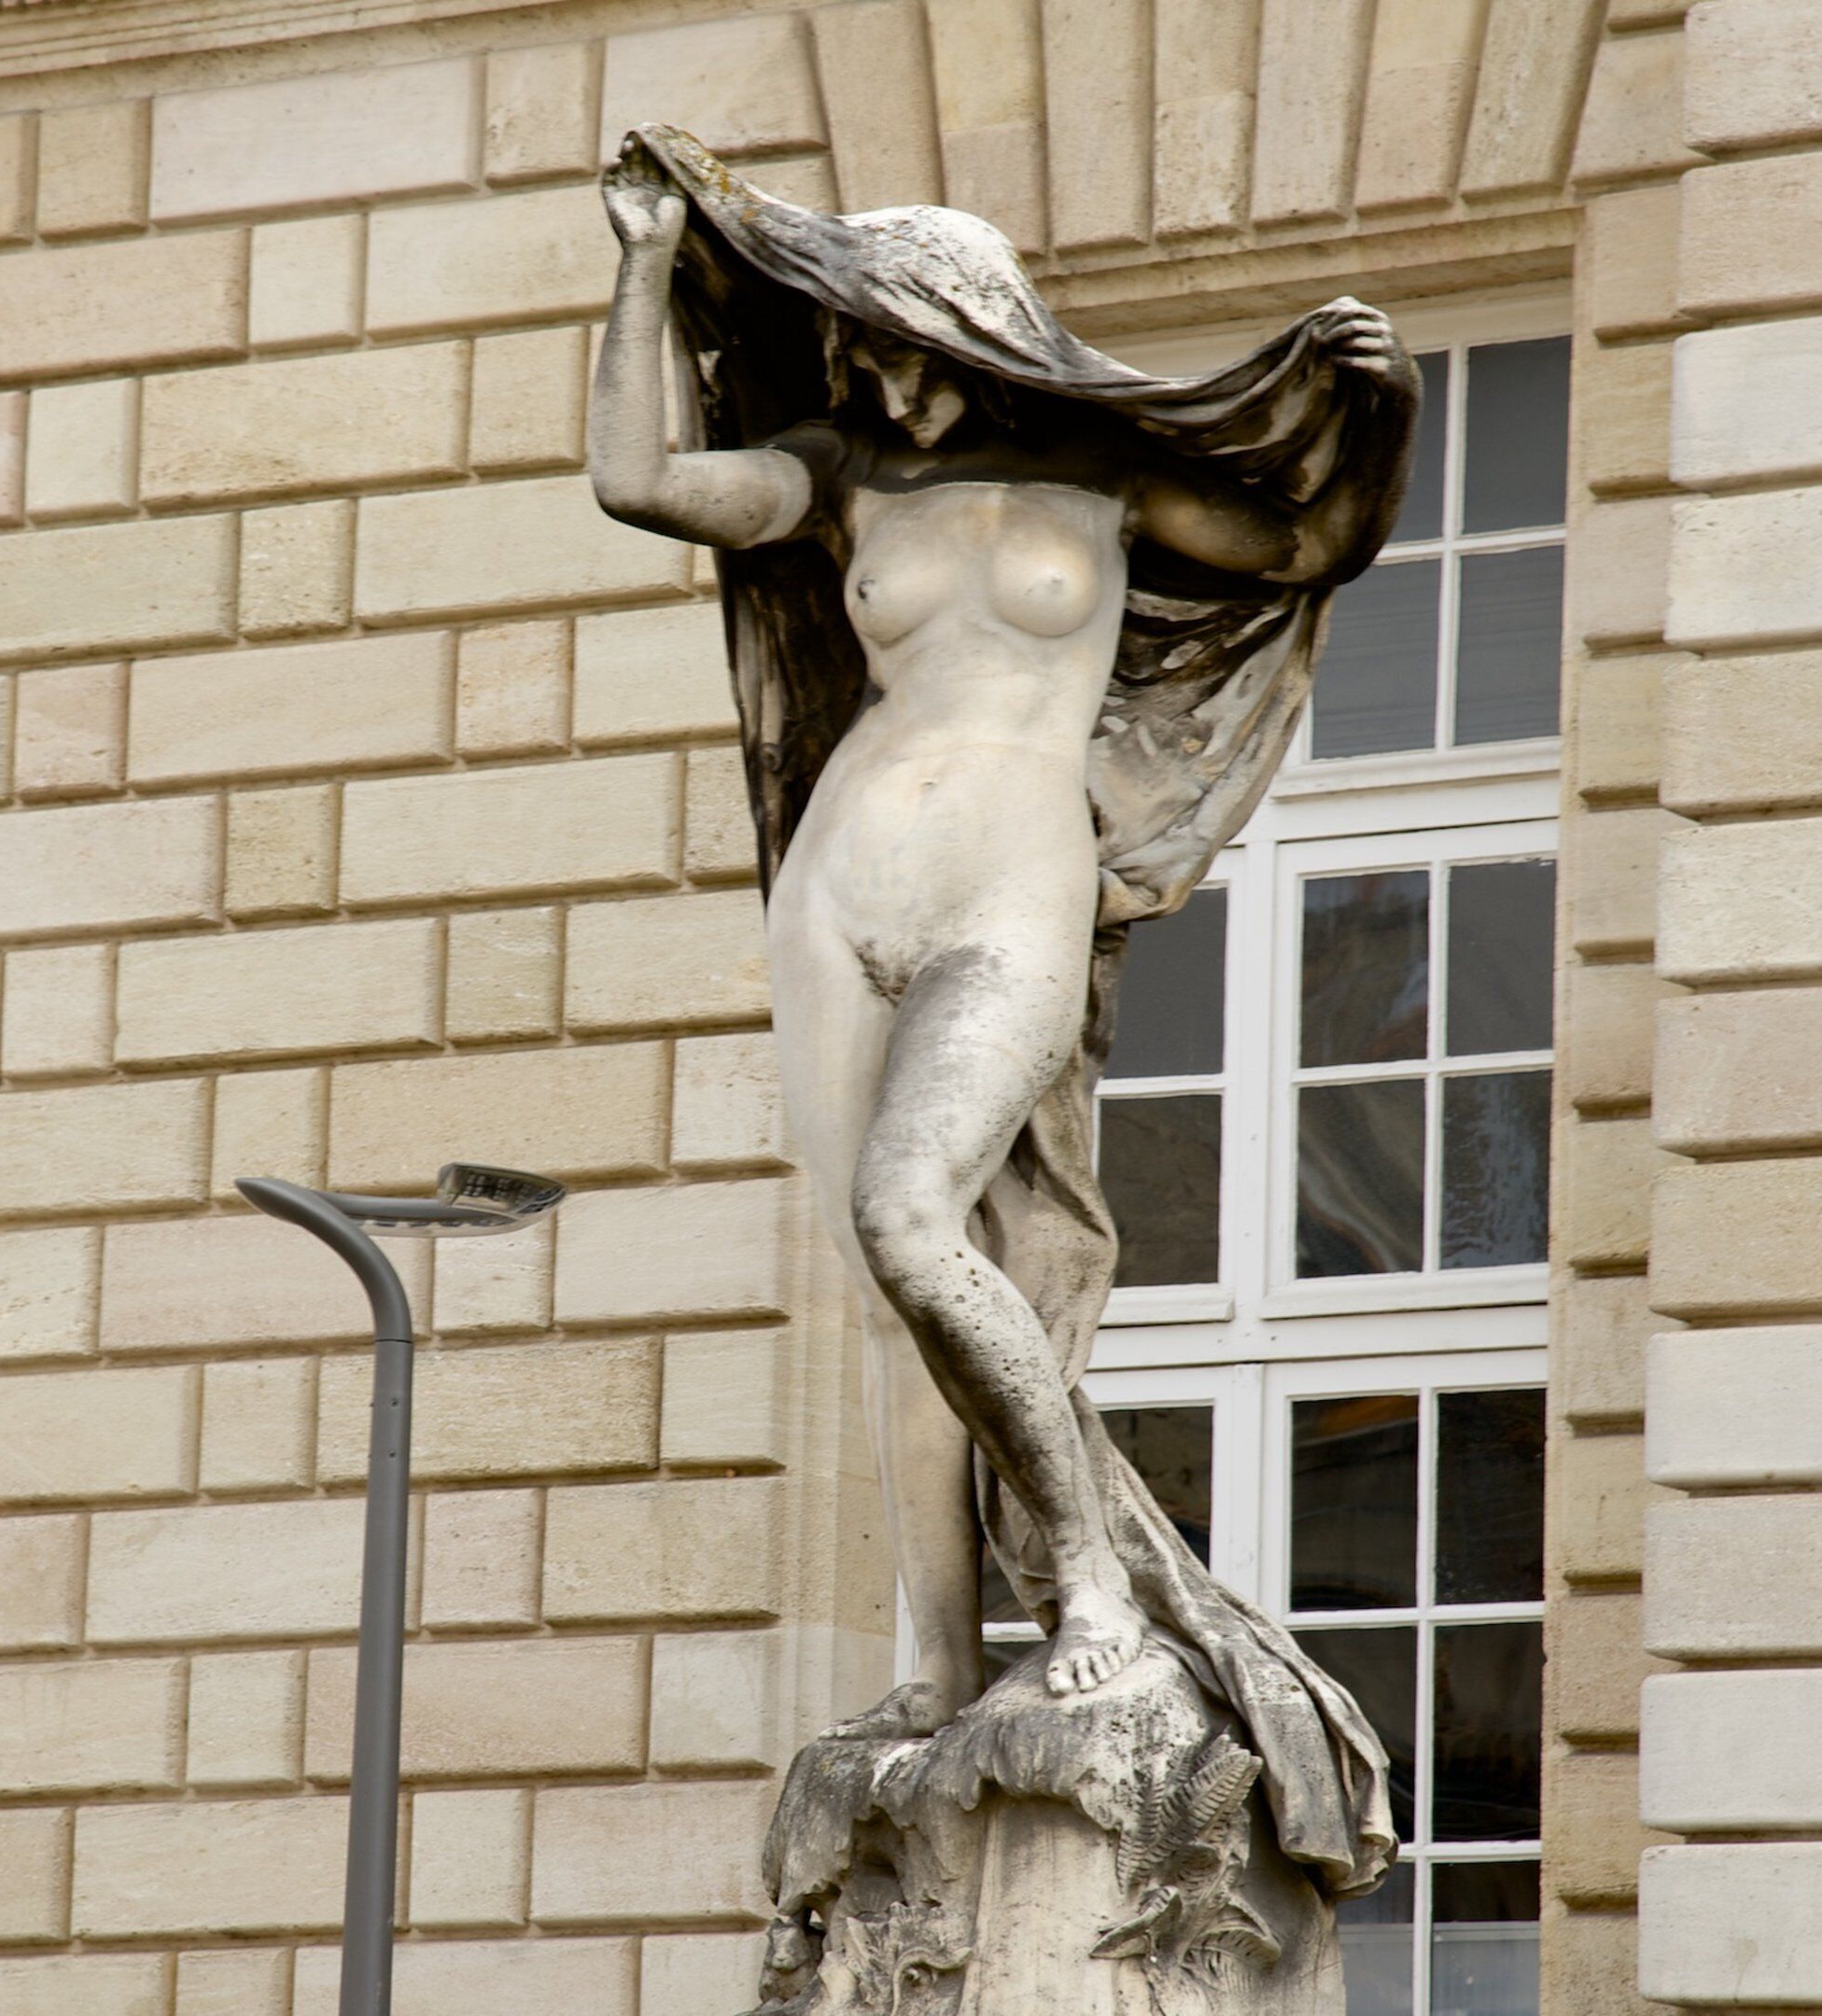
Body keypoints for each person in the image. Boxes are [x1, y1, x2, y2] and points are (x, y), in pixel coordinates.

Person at [589, 119, 1412, 1813]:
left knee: (918, 1214)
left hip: (1008, 881)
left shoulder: (1106, 482)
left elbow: (1310, 545)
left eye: (900, 340)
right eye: (859, 344)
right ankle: (945, 1667)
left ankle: (1092, 1583)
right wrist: (645, 266)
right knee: (888, 1296)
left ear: (968, 324)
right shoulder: (843, 479)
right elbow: (643, 484)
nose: (878, 375)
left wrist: (1375, 413)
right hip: (843, 878)